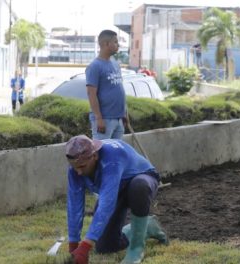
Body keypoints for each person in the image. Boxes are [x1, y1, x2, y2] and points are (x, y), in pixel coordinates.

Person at [65, 135, 168, 264]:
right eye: (75, 168)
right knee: (105, 247)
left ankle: (136, 248)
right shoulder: (76, 168)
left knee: (138, 186)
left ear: (95, 156)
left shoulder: (112, 158)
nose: (78, 172)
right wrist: (74, 246)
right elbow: (74, 206)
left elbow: (107, 203)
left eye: (82, 166)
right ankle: (148, 227)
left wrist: (86, 246)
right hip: (117, 188)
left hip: (142, 179)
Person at [86, 30, 126, 140]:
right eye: (115, 42)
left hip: (118, 119)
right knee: (102, 154)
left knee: (115, 154)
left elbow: (118, 89)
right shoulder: (95, 66)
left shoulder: (115, 63)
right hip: (104, 120)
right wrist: (99, 118)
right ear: (106, 44)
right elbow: (91, 94)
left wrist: (124, 113)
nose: (118, 45)